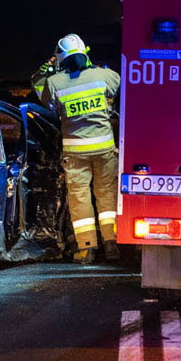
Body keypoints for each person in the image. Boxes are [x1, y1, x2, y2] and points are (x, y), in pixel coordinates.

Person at [36, 33, 121, 265]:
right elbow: (118, 85)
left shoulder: (55, 83)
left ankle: (87, 249)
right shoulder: (103, 76)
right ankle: (112, 244)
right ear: (84, 52)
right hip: (104, 150)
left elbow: (46, 101)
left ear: (61, 58)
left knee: (79, 200)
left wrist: (45, 72)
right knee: (107, 195)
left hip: (75, 154)